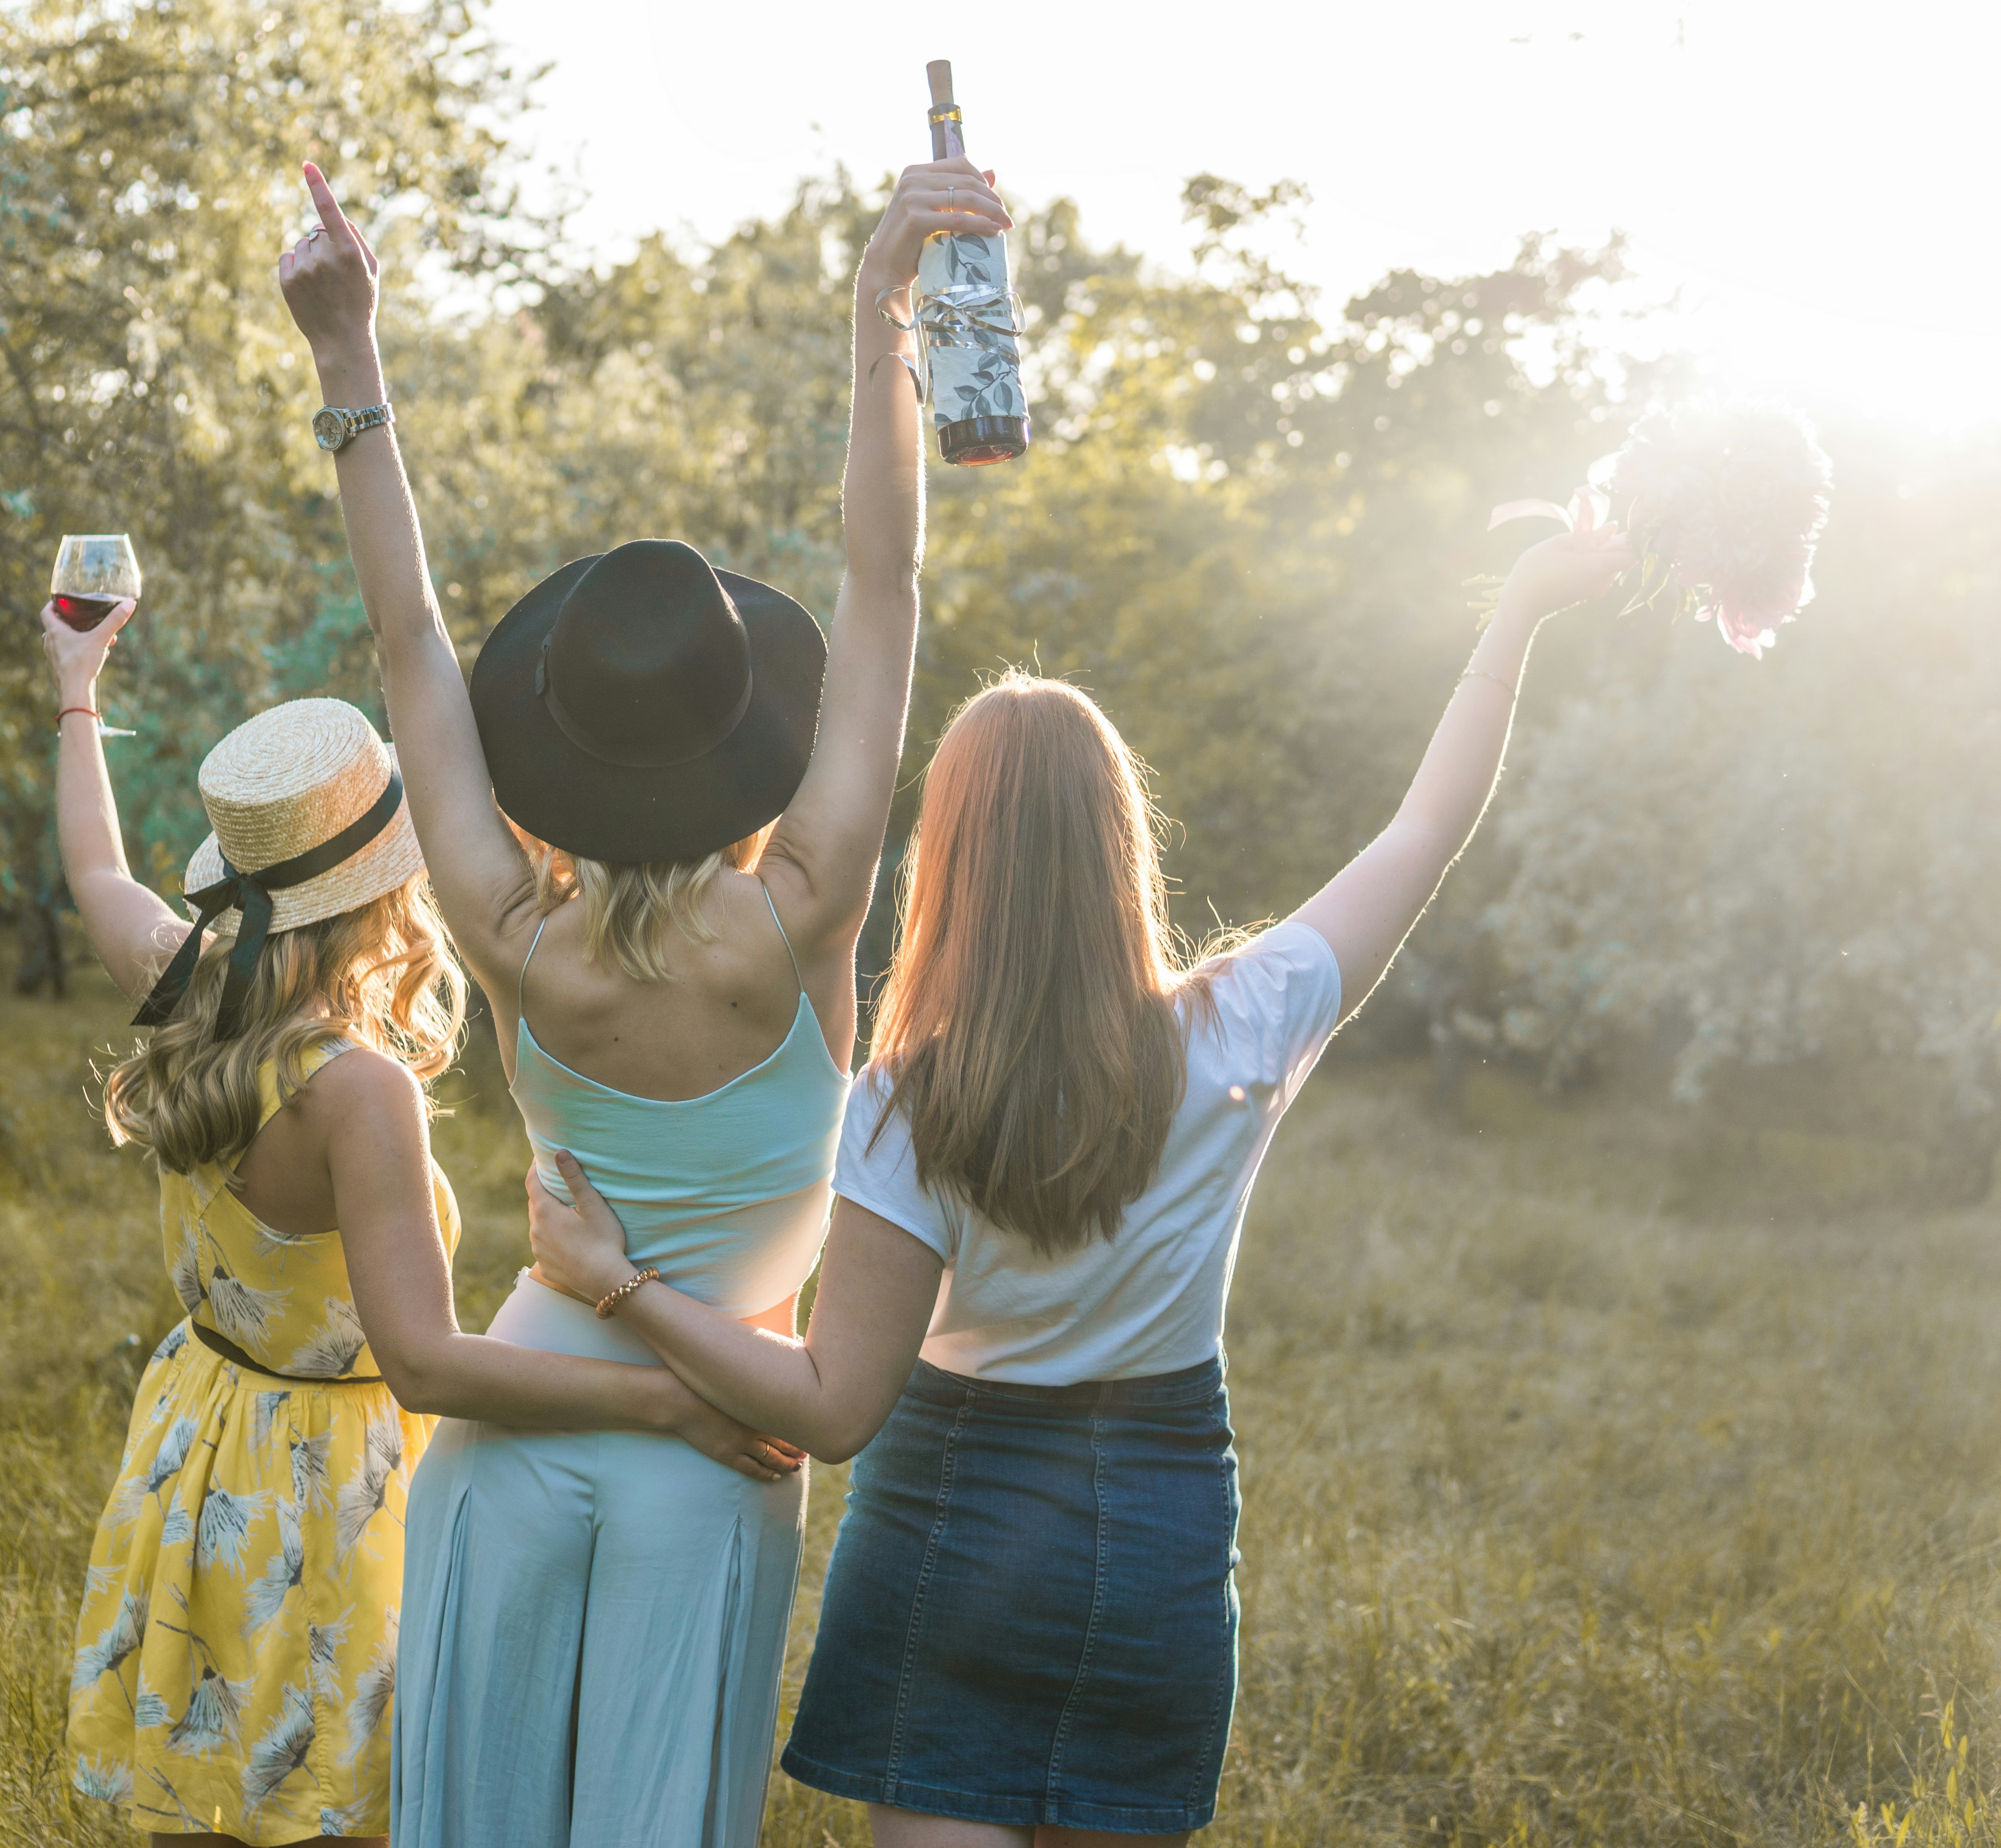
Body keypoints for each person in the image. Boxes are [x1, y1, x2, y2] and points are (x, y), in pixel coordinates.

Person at [526, 528, 1634, 1847]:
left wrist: (623, 1285)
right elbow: (1428, 826)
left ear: (950, 856)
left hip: (947, 1527)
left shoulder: (908, 1102)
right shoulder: (1246, 1020)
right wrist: (1516, 613)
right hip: (1155, 1522)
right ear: (1121, 840)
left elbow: (830, 1408)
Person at [269, 152, 1008, 1846]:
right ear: (745, 746)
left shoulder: (516, 935)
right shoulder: (807, 909)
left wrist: (348, 360)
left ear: (564, 752)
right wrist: (872, 319)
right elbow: (885, 589)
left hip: (524, 1408)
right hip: (721, 1437)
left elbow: (406, 637)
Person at [43, 617, 802, 1843]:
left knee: (207, 1790)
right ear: (389, 881)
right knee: (322, 1798)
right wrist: (671, 1403)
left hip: (199, 1440)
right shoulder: (357, 1089)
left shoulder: (192, 986)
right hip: (318, 1492)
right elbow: (426, 1362)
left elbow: (94, 872)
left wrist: (78, 691)